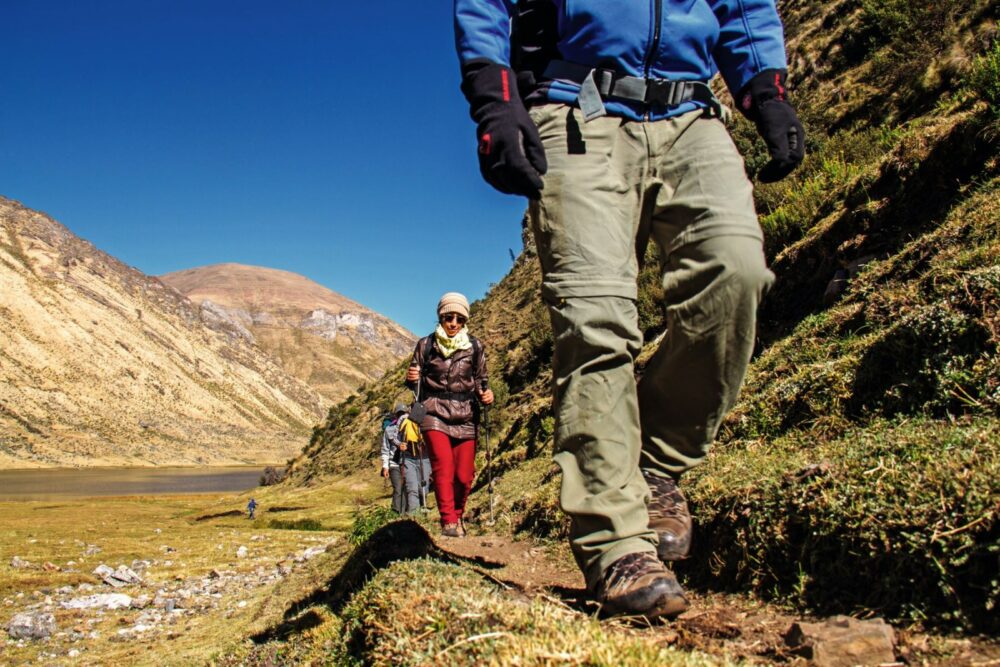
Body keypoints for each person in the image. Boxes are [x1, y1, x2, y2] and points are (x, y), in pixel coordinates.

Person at [454, 0, 805, 618]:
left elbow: (745, 5)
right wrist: (495, 98)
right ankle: (614, 540)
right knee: (595, 318)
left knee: (736, 272)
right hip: (573, 109)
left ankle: (658, 462)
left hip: (693, 114)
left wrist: (765, 87)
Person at [405, 292, 494, 537]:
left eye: (459, 319)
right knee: (443, 467)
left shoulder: (475, 347)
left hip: (466, 415)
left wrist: (487, 395)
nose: (453, 323)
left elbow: (481, 381)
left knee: (464, 476)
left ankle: (457, 513)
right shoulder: (425, 345)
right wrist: (411, 378)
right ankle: (448, 521)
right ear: (440, 317)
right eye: (448, 317)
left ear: (465, 321)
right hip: (433, 413)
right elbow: (415, 381)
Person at [380, 403, 407, 514]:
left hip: (408, 462)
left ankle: (408, 513)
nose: (401, 416)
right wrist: (385, 467)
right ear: (395, 415)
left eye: (403, 413)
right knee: (398, 488)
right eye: (399, 414)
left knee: (408, 488)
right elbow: (385, 449)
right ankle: (396, 512)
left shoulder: (411, 426)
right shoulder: (388, 429)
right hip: (394, 464)